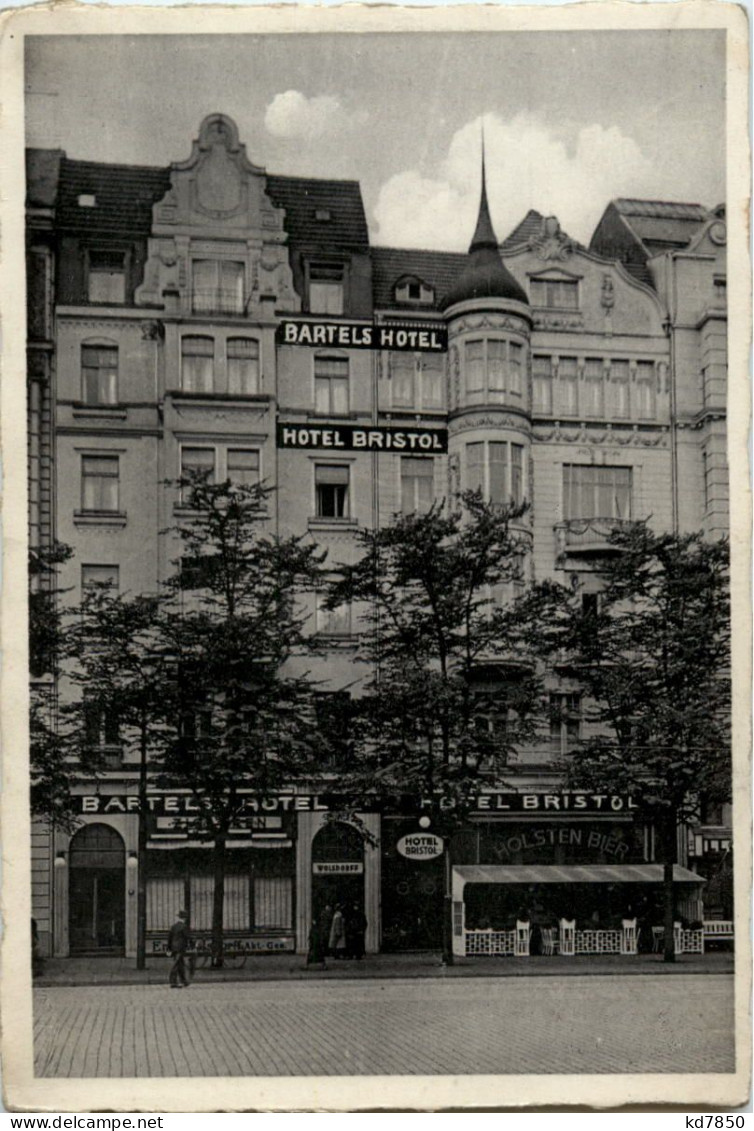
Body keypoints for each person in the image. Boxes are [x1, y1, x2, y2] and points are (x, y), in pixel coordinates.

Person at [167, 909, 190, 988]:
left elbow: (169, 938)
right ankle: (173, 982)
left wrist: (169, 948)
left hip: (174, 947)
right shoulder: (184, 927)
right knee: (176, 964)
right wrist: (193, 944)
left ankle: (184, 981)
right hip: (180, 947)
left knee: (180, 964)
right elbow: (187, 937)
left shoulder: (174, 926)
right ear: (185, 918)